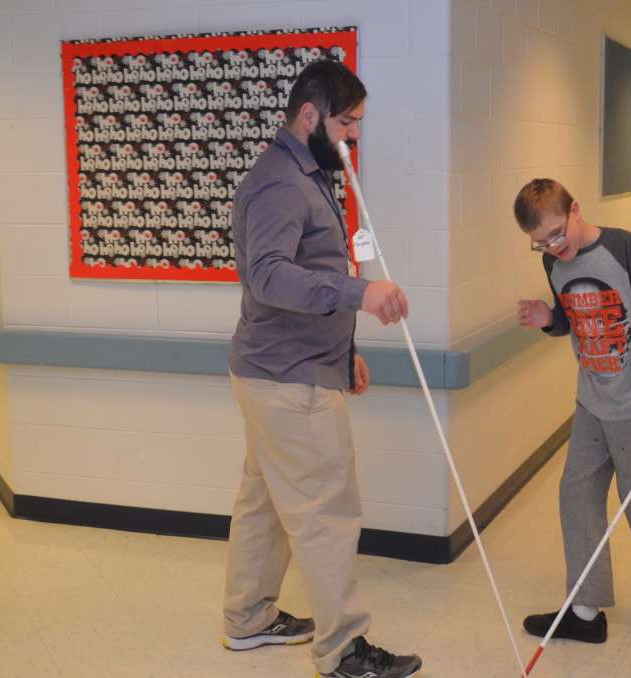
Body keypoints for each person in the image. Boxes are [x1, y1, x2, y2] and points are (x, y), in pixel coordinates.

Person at [221, 60, 422, 678]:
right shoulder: (283, 182)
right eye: (346, 122)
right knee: (325, 511)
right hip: (289, 379)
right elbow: (270, 276)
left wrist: (343, 349)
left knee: (266, 502)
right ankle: (343, 652)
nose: (353, 136)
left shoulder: (301, 174)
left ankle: (248, 619)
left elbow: (303, 276)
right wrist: (361, 295)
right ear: (310, 116)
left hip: (281, 368)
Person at [513, 178, 631, 643]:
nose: (553, 247)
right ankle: (586, 610)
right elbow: (571, 316)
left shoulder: (622, 247)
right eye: (540, 244)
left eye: (556, 234)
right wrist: (549, 320)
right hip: (592, 400)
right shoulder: (555, 262)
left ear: (575, 210)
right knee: (577, 496)